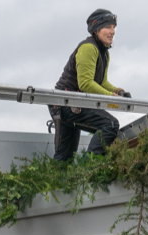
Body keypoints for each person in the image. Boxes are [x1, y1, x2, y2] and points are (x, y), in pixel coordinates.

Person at [50, 9, 128, 162]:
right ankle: (89, 168)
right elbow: (85, 83)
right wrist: (110, 97)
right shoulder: (88, 48)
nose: (112, 31)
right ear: (96, 29)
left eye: (114, 27)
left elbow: (102, 82)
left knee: (65, 157)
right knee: (110, 124)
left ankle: (60, 182)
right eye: (108, 27)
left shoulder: (104, 52)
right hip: (65, 102)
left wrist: (117, 91)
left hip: (73, 102)